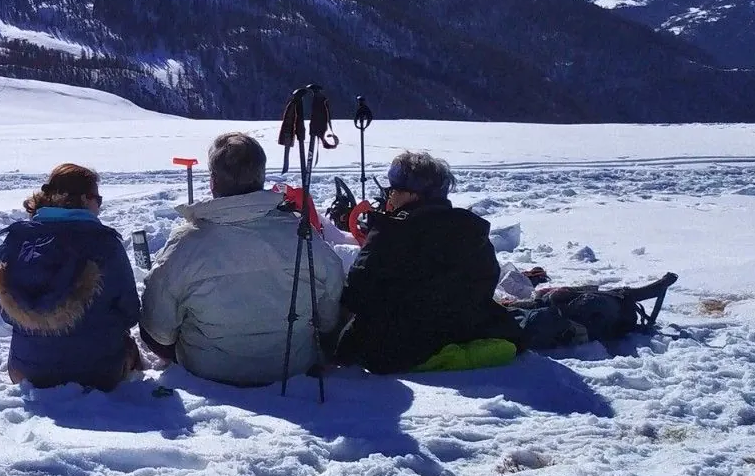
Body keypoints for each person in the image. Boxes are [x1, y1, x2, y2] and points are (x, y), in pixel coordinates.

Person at [139, 132, 346, 386]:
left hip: (209, 373)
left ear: (213, 181)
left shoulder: (186, 244)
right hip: (293, 367)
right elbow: (332, 301)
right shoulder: (300, 233)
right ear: (261, 176)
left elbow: (157, 330)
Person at [334, 151, 524, 373]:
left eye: (394, 190)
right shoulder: (469, 228)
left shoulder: (390, 232)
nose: (389, 195)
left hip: (397, 347)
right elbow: (486, 281)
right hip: (465, 328)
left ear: (414, 196)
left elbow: (357, 293)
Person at [0, 163, 141, 390]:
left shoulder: (15, 241)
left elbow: (7, 314)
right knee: (129, 349)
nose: (99, 207)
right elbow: (129, 312)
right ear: (83, 199)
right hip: (99, 372)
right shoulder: (105, 244)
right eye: (97, 199)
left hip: (26, 372)